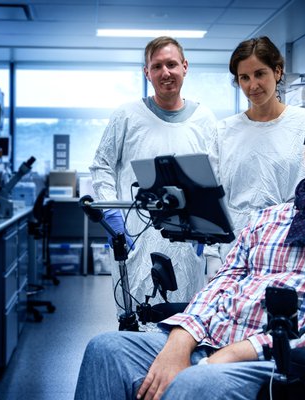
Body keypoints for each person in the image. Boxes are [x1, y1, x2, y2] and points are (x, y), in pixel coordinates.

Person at [74, 104, 305, 400]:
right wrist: (181, 340)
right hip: (215, 336)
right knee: (107, 349)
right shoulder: (273, 216)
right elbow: (222, 282)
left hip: (279, 358)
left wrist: (235, 353)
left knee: (199, 383)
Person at [89, 36, 217, 315]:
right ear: (146, 72)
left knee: (185, 324)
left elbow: (215, 178)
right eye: (157, 66)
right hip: (137, 238)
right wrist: (112, 215)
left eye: (171, 64)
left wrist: (207, 235)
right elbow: (102, 166)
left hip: (188, 241)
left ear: (185, 66)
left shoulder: (204, 119)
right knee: (137, 320)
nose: (165, 72)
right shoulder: (127, 116)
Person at [205, 36, 305, 278]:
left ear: (277, 71)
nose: (252, 85)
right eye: (244, 78)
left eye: (259, 74)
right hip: (234, 248)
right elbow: (213, 196)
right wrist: (212, 254)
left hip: (289, 245)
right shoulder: (224, 131)